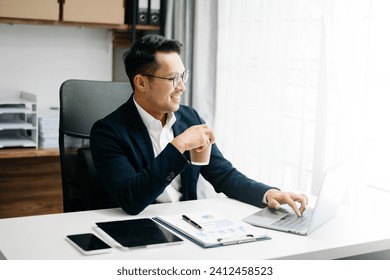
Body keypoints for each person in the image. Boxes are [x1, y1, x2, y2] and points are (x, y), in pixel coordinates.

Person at [90, 34, 307, 216]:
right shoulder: (107, 132)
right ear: (141, 82)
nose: (182, 87)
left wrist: (268, 193)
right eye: (174, 78)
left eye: (183, 76)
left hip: (187, 222)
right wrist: (178, 146)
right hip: (138, 229)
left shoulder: (189, 118)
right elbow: (131, 200)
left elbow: (224, 175)